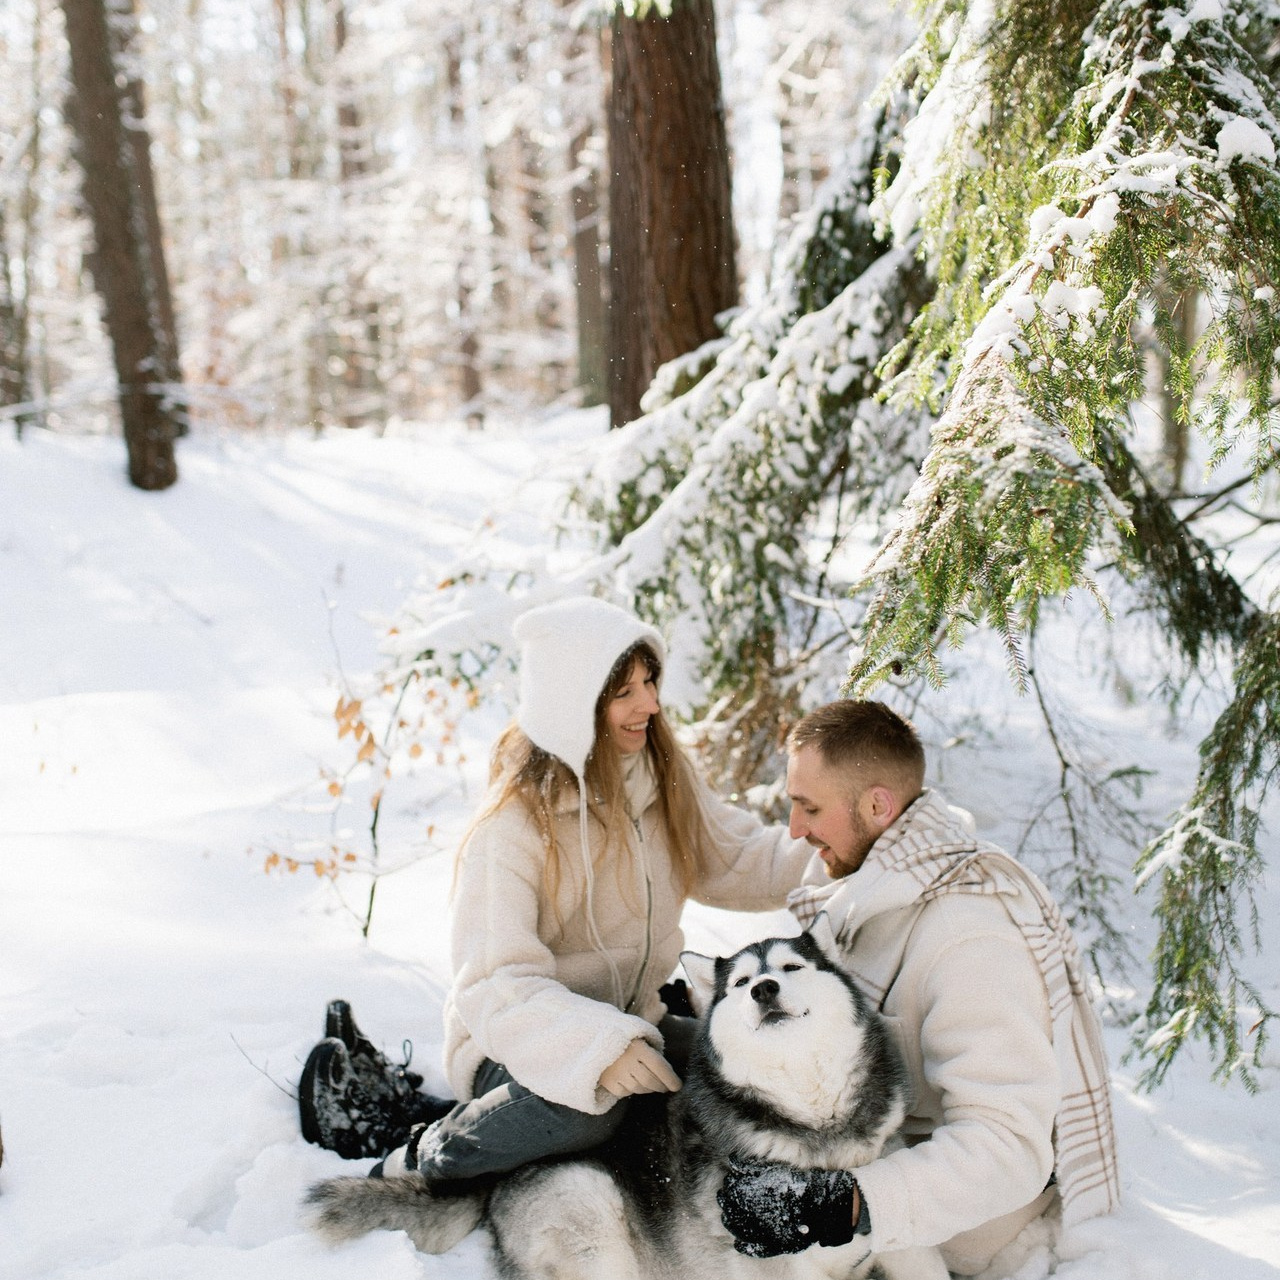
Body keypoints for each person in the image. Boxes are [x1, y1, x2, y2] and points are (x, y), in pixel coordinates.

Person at [299, 595, 812, 1180]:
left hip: (633, 1023)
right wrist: (596, 1048)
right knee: (588, 1113)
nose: (649, 703)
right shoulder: (513, 829)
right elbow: (496, 986)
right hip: (517, 1044)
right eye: (624, 692)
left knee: (762, 1056)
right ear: (576, 704)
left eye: (650, 681)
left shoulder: (661, 779)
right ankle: (423, 1154)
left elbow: (740, 858)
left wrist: (846, 846)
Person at [717, 700, 1120, 1276]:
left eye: (809, 808)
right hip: (857, 1174)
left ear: (878, 805)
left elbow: (1008, 1149)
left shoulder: (971, 938)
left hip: (950, 1237)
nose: (795, 830)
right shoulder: (867, 888)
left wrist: (846, 1204)